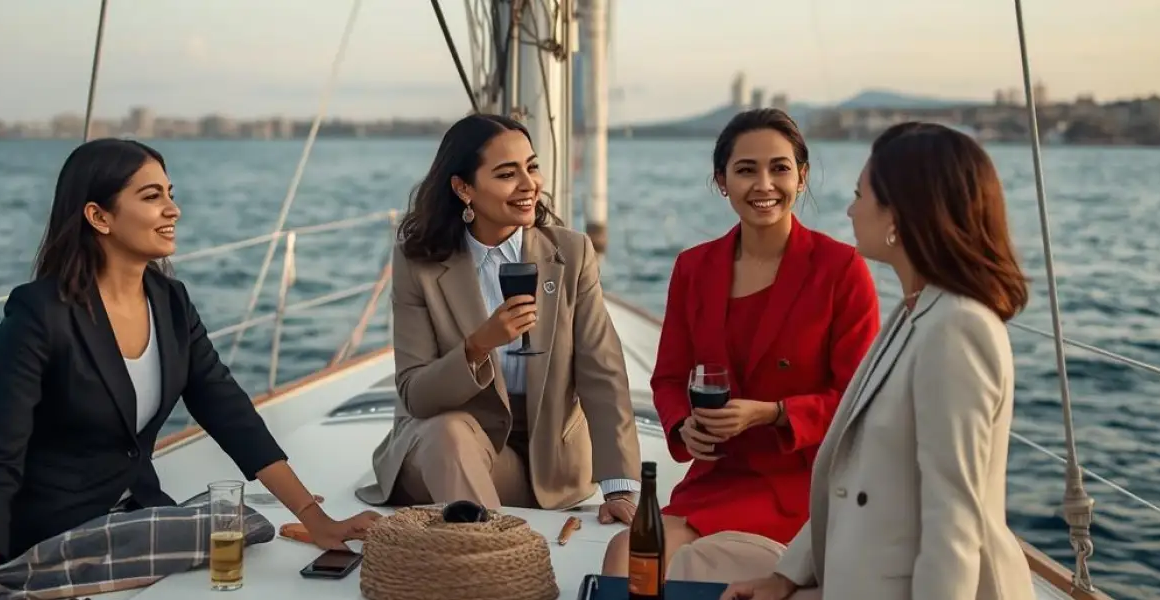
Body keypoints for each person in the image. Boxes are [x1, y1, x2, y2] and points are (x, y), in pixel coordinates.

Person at [0, 139, 381, 600]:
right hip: (57, 529)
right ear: (99, 217)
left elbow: (228, 411)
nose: (173, 210)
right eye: (151, 196)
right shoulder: (41, 313)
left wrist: (316, 520)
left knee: (244, 525)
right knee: (232, 524)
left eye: (170, 193)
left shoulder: (170, 302)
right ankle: (22, 579)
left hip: (138, 515)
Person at [716, 122, 1036, 599]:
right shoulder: (913, 314)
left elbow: (953, 525)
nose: (849, 210)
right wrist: (785, 577)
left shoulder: (957, 329)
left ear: (898, 217)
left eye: (860, 195)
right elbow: (855, 482)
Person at [601, 109, 880, 577]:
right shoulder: (694, 268)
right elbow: (669, 377)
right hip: (718, 477)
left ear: (803, 177)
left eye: (780, 168)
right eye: (746, 170)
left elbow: (858, 403)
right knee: (626, 555)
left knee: (701, 565)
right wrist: (683, 426)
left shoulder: (841, 270)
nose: (764, 184)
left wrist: (773, 413)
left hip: (804, 481)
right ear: (721, 181)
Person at [353, 114, 642, 524]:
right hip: (452, 450)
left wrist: (620, 487)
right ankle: (493, 563)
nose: (529, 185)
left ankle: (484, 548)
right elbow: (415, 394)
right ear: (463, 188)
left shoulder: (572, 254)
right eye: (507, 174)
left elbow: (602, 372)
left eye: (532, 166)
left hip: (547, 465)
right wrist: (478, 345)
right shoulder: (419, 262)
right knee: (448, 432)